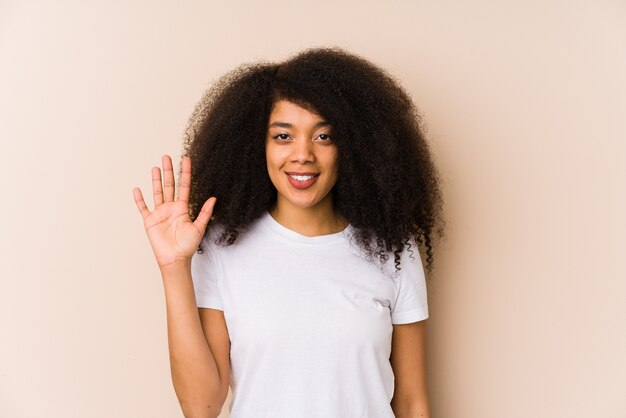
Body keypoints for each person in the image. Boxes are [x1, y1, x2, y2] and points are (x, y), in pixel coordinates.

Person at [133, 47, 445, 418]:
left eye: (324, 136)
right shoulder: (220, 247)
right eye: (283, 136)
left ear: (354, 147)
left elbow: (412, 403)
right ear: (256, 145)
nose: (302, 154)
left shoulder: (393, 250)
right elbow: (201, 406)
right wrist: (173, 269)